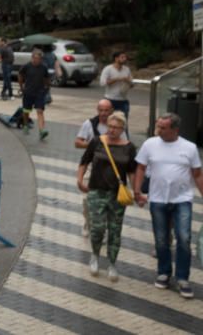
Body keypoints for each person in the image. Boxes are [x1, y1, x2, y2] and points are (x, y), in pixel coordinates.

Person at [133, 113, 203, 298]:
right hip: (157, 199)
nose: (159, 130)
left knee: (184, 238)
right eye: (158, 127)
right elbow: (140, 167)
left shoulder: (189, 147)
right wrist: (137, 191)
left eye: (163, 128)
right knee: (161, 239)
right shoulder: (150, 144)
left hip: (182, 200)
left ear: (175, 129)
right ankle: (164, 272)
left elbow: (197, 174)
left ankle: (182, 278)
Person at [76, 112, 137, 282]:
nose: (112, 130)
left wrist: (136, 191)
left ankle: (112, 263)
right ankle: (95, 256)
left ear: (122, 129)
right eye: (110, 126)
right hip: (96, 191)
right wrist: (80, 180)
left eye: (116, 127)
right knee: (97, 228)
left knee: (115, 231)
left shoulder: (129, 147)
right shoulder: (97, 141)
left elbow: (132, 171)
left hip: (117, 195)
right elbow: (84, 161)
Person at [75, 100, 119, 236]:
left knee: (106, 201)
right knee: (87, 200)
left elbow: (124, 143)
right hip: (91, 167)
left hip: (110, 169)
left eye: (106, 110)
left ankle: (102, 228)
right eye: (101, 110)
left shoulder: (117, 125)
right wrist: (94, 144)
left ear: (111, 110)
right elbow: (77, 142)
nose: (104, 113)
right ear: (97, 110)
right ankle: (88, 223)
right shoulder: (89, 124)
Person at [18, 49, 51, 140]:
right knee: (26, 111)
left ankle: (41, 131)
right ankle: (25, 125)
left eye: (39, 59)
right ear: (32, 58)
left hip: (39, 93)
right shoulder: (26, 66)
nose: (37, 60)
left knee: (40, 111)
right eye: (36, 58)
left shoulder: (43, 67)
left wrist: (47, 88)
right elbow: (20, 75)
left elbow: (47, 78)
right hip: (28, 92)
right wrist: (21, 87)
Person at [100, 51, 133, 121]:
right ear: (116, 58)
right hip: (110, 99)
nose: (124, 59)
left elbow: (132, 84)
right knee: (108, 121)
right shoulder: (108, 69)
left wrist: (128, 81)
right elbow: (102, 83)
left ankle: (124, 132)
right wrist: (118, 79)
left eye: (125, 57)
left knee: (123, 121)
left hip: (123, 100)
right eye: (122, 57)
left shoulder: (127, 69)